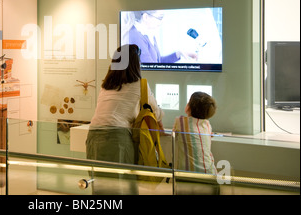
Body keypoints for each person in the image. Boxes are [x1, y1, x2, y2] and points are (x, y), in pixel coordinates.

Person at [85, 44, 164, 194]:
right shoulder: (140, 86)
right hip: (117, 138)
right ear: (136, 63)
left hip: (93, 136)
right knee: (122, 186)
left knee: (100, 186)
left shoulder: (106, 85)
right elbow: (156, 113)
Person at [127, 10, 197, 63]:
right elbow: (150, 68)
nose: (162, 22)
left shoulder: (149, 34)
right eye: (160, 17)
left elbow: (158, 62)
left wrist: (179, 54)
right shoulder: (136, 36)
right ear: (146, 17)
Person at [172, 91, 217, 175]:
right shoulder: (207, 125)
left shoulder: (180, 121)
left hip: (185, 174)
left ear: (189, 107)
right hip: (210, 174)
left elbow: (173, 133)